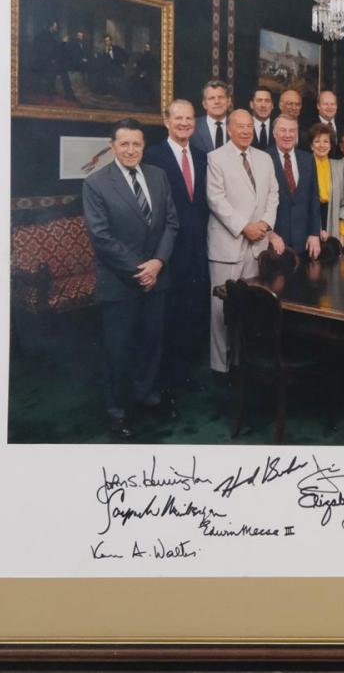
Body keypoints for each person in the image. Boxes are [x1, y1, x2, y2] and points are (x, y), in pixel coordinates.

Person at [82, 118, 178, 437]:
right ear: (112, 146)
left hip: (157, 278)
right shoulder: (96, 183)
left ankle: (147, 397)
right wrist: (142, 269)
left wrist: (158, 263)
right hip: (121, 283)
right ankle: (118, 411)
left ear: (143, 146)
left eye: (136, 144)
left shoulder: (158, 176)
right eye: (124, 144)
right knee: (119, 350)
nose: (130, 150)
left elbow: (171, 225)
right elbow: (102, 237)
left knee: (152, 344)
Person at [206, 109, 283, 376]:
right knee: (221, 309)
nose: (246, 131)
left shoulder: (264, 159)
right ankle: (220, 368)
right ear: (229, 129)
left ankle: (241, 363)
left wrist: (265, 225)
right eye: (239, 126)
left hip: (257, 245)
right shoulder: (215, 158)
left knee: (249, 309)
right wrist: (244, 227)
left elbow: (274, 193)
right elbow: (216, 200)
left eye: (249, 126)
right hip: (228, 244)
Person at [143, 99, 210, 397]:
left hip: (197, 251)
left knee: (190, 316)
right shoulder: (152, 157)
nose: (184, 124)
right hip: (167, 251)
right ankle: (163, 383)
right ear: (166, 121)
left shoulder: (201, 156)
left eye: (189, 119)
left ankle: (183, 377)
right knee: (165, 320)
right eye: (178, 118)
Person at [268, 116, 322, 259]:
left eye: (292, 131)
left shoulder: (308, 159)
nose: (287, 135)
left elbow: (314, 199)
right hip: (275, 242)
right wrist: (269, 234)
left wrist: (314, 233)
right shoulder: (264, 158)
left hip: (305, 242)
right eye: (283, 130)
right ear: (274, 133)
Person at [308, 122, 344, 242]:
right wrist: (316, 229)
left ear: (330, 145)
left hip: (333, 220)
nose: (321, 145)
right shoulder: (304, 165)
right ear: (311, 145)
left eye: (326, 141)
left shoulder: (338, 167)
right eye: (317, 141)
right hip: (310, 223)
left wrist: (341, 233)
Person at [190, 79, 231, 154]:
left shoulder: (238, 125)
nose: (217, 101)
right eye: (211, 98)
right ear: (204, 104)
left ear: (228, 101)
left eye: (221, 97)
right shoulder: (192, 126)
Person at [311, 88, 344, 157]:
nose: (330, 107)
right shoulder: (309, 126)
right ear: (318, 106)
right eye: (326, 104)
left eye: (333, 104)